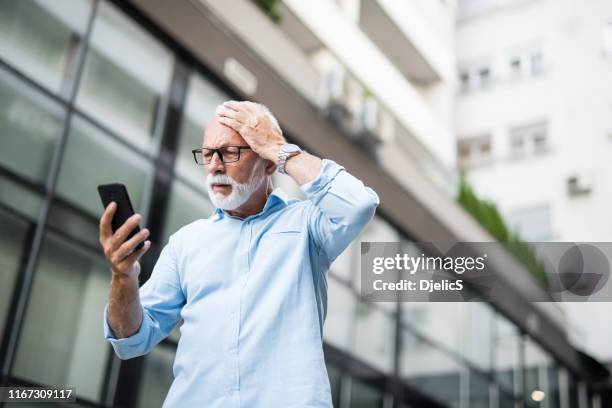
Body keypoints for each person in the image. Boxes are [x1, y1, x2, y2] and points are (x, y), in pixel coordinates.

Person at [99, 100, 379, 407]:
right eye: (207, 154)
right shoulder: (186, 243)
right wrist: (122, 276)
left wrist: (279, 147)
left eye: (230, 153)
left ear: (269, 163)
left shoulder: (307, 224)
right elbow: (130, 341)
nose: (215, 165)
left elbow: (358, 205)